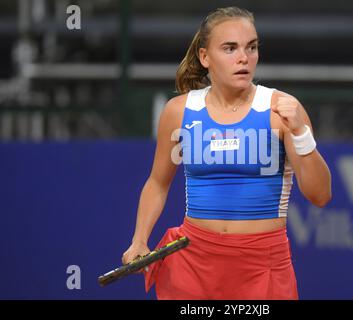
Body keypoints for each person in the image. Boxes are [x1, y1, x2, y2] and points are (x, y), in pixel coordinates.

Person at [122, 6, 332, 300]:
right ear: (205, 57)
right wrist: (139, 240)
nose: (244, 58)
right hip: (192, 265)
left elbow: (320, 195)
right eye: (230, 48)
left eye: (252, 47)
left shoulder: (281, 110)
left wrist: (301, 134)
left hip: (262, 268)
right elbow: (158, 183)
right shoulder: (179, 112)